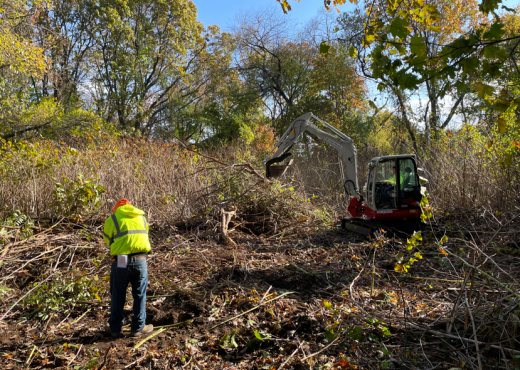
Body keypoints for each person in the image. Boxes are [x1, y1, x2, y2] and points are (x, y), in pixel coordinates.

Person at [103, 199, 153, 338]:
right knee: (140, 294)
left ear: (116, 209)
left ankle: (115, 328)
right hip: (140, 259)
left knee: (118, 293)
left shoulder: (113, 219)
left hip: (121, 259)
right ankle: (138, 328)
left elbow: (107, 240)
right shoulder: (141, 218)